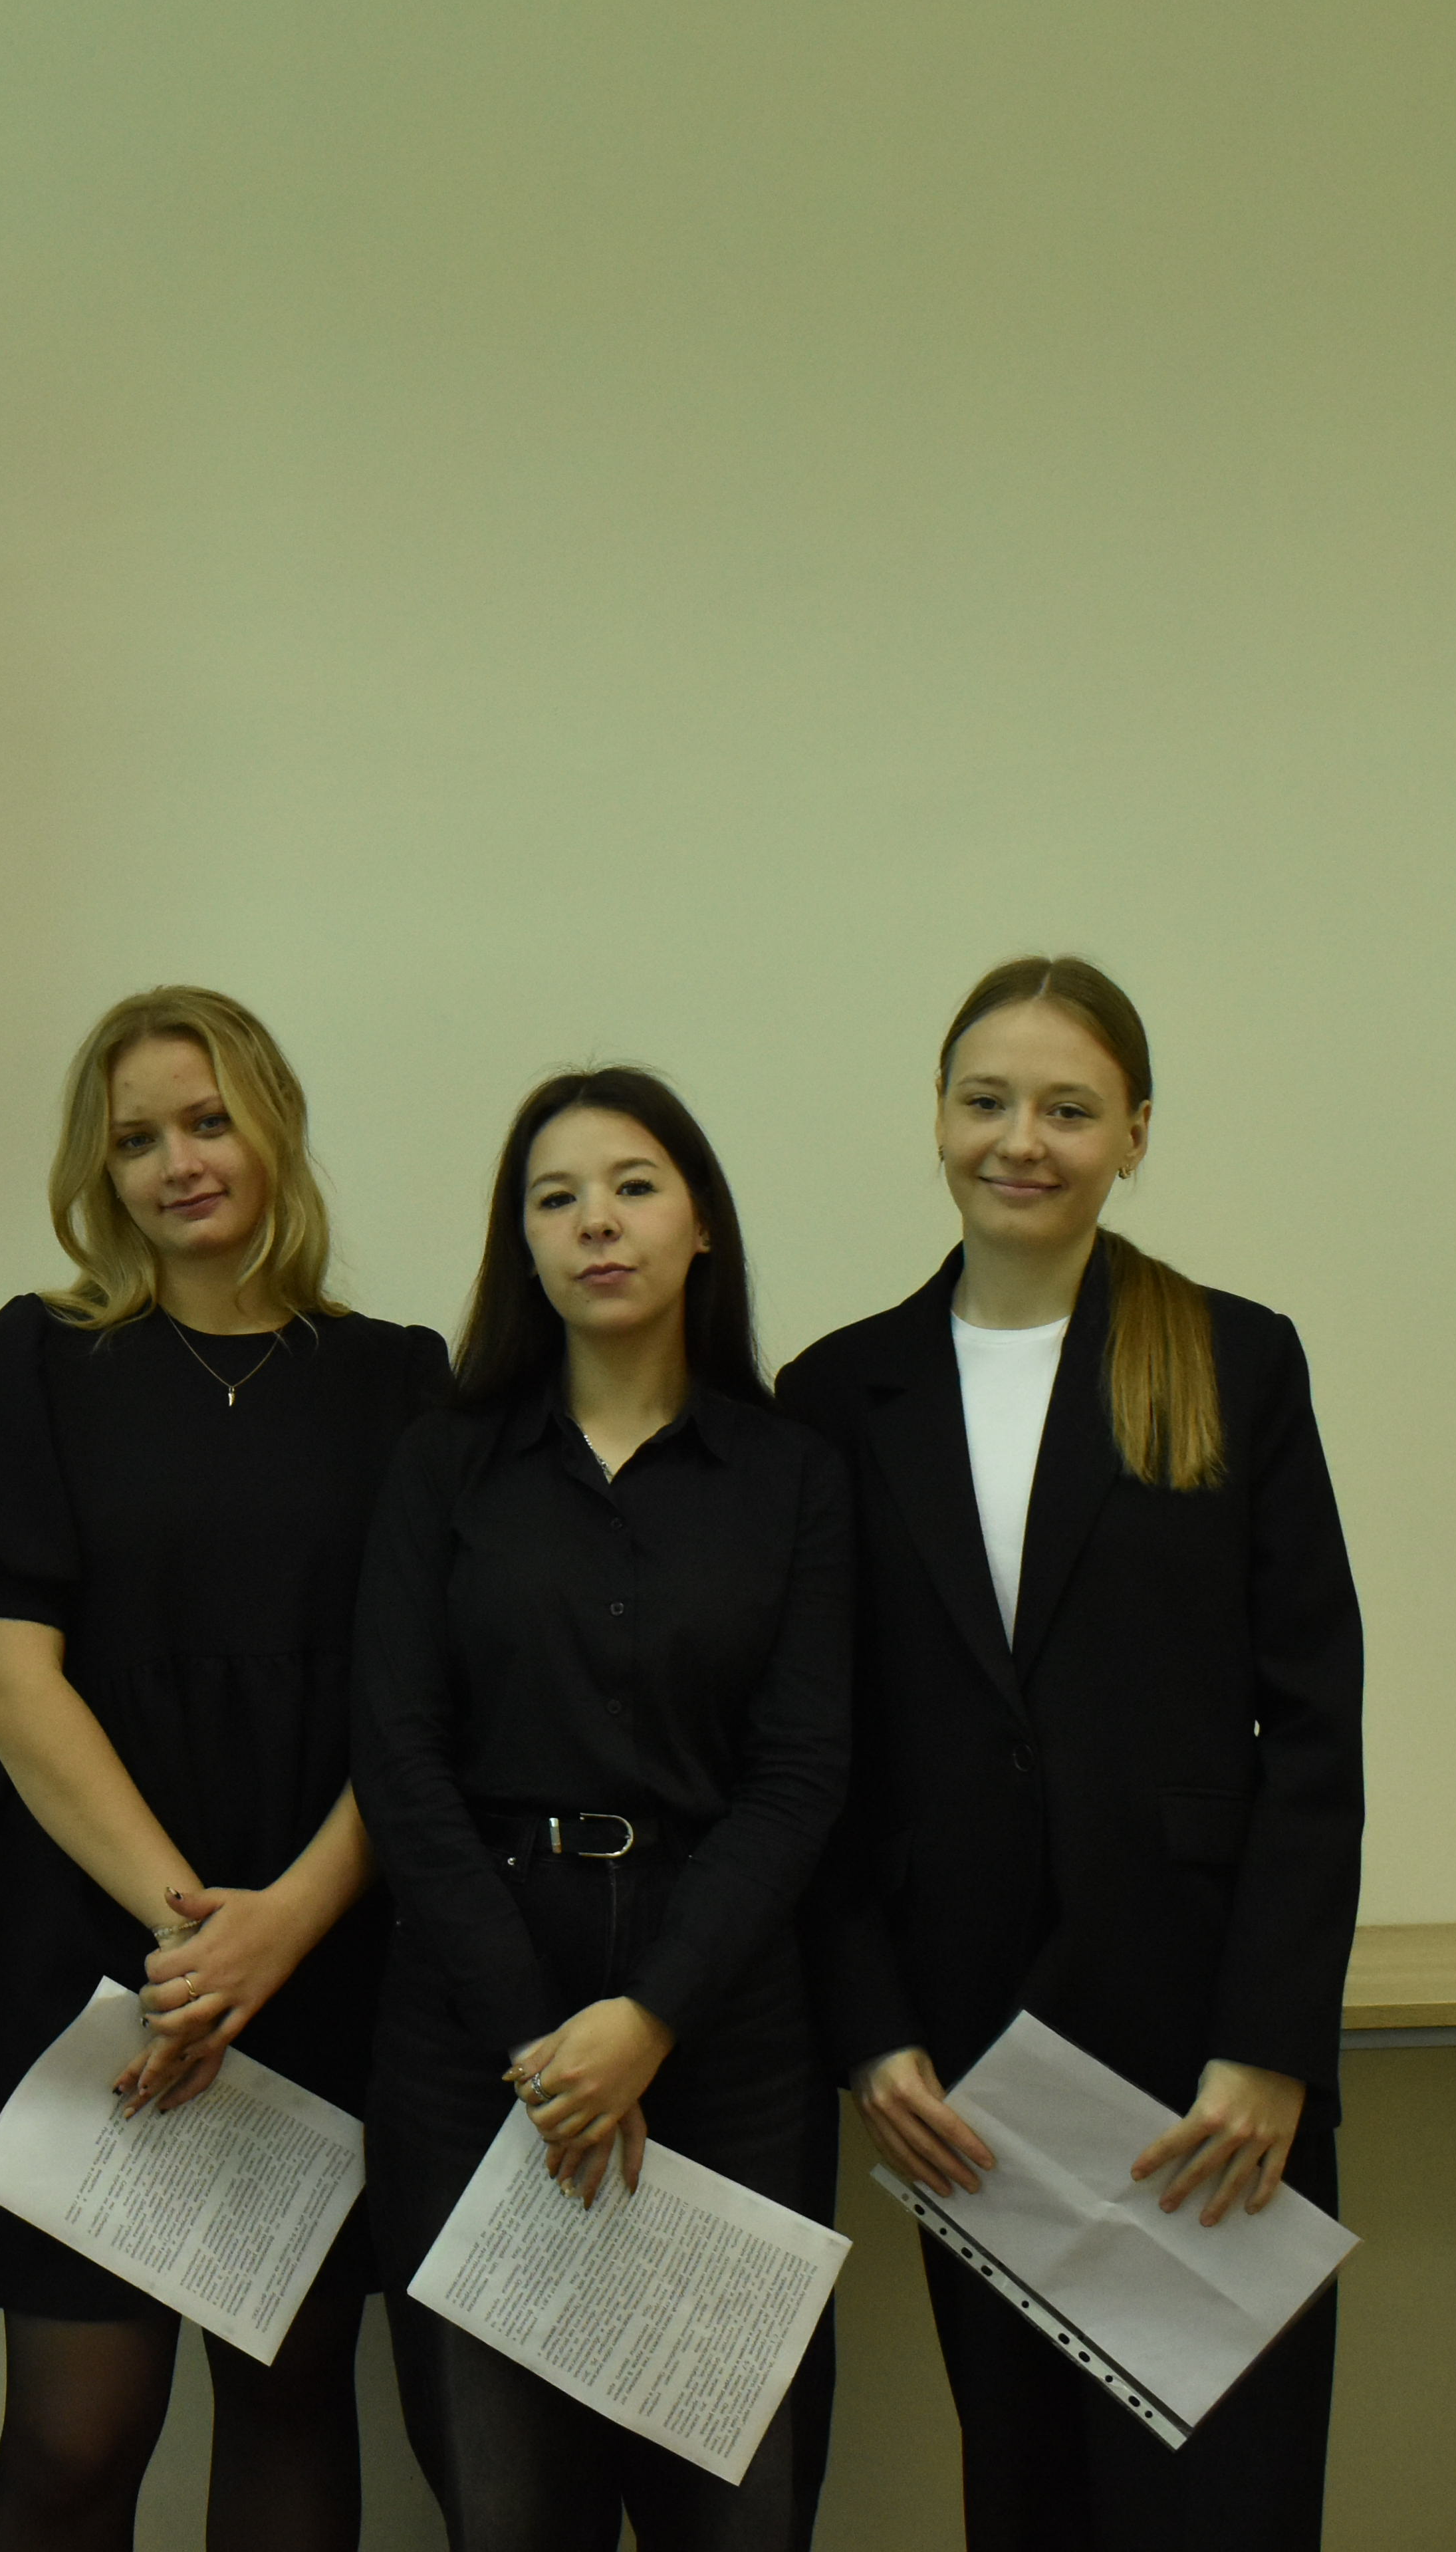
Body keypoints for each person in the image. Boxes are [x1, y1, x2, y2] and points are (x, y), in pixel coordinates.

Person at [779, 956, 1364, 2551]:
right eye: (987, 1100)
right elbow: (813, 1750)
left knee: (1223, 2510)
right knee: (1030, 2501)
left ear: (1136, 1133)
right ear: (939, 1117)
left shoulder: (1237, 1360)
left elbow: (1315, 1724)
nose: (1021, 1139)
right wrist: (871, 2030)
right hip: (969, 2068)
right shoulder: (837, 1394)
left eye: (1069, 1107)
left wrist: (1271, 2046)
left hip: (1204, 2059)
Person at [0, 987, 454, 2552]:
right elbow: (11, 1679)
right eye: (136, 1139)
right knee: (79, 2431)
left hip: (322, 1937)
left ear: (274, 1127)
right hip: (95, 1939)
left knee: (289, 2392)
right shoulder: (43, 1356)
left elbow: (428, 1702)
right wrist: (196, 1939)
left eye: (208, 1121)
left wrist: (286, 1924)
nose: (178, 1162)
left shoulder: (401, 1378)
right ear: (101, 1170)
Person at [349, 1066, 850, 2551]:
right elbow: (400, 1758)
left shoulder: (793, 1473)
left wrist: (648, 2020)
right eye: (555, 1198)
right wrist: (540, 2042)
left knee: (740, 2510)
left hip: (727, 2031)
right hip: (476, 2033)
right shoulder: (444, 1461)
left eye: (633, 1186)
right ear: (522, 1244)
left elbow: (802, 1773)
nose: (597, 1223)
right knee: (508, 2513)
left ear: (703, 1224)